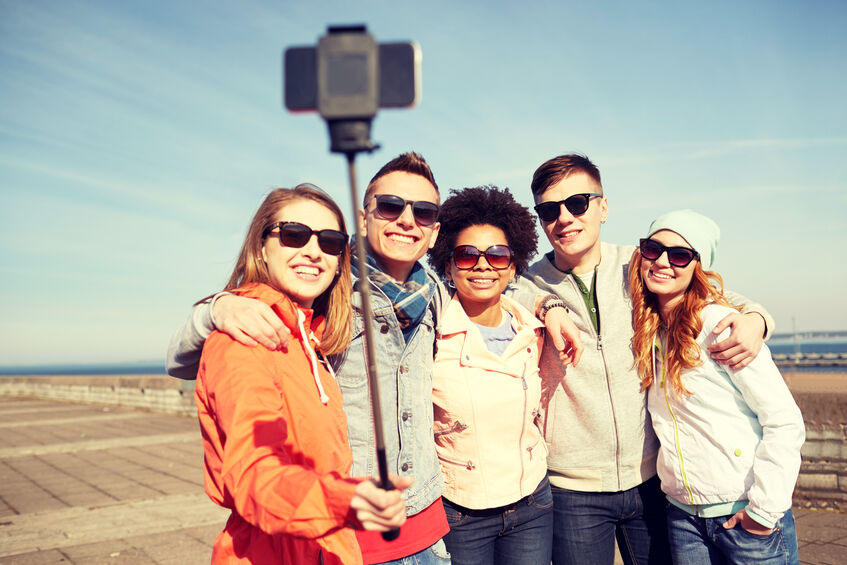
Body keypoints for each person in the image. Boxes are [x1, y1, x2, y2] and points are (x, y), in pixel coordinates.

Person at [168, 154, 452, 564]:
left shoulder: (430, 296)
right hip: (344, 532)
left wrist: (549, 306)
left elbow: (497, 301)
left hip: (425, 529)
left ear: (434, 229)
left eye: (423, 212)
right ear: (364, 214)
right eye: (391, 206)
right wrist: (214, 312)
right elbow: (186, 363)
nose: (407, 220)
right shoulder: (308, 305)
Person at [508, 154, 776, 565]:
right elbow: (508, 294)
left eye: (577, 203)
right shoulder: (527, 284)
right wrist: (548, 305)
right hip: (572, 487)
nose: (564, 218)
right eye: (549, 209)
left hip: (652, 480)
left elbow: (709, 292)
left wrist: (757, 317)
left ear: (603, 207)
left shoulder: (639, 264)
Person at [629, 209, 804, 564]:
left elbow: (784, 420)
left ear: (698, 267)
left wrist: (763, 512)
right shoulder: (650, 331)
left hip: (745, 516)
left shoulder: (720, 326)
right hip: (682, 519)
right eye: (653, 248)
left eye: (679, 254)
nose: (662, 261)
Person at [427, 186, 553, 564]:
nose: (483, 265)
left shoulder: (534, 330)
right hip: (461, 511)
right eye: (467, 255)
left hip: (533, 502)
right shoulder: (429, 333)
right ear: (447, 265)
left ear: (513, 265)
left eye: (497, 255)